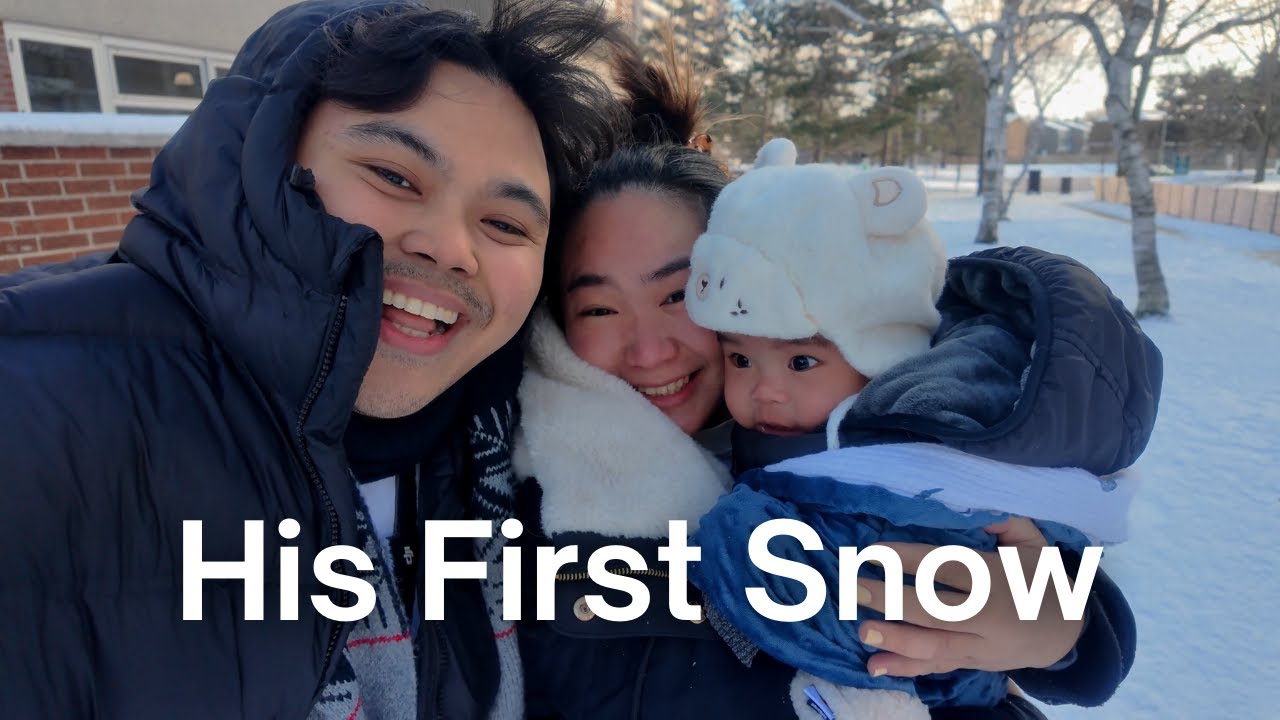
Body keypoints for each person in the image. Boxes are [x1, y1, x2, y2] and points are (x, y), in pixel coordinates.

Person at [0, 1, 627, 718]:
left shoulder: (525, 449)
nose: (452, 248)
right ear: (261, 162)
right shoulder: (36, 417)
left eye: (505, 224)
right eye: (394, 177)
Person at [509, 52, 1138, 720]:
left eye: (678, 294)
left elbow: (1017, 555)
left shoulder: (884, 431)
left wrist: (1061, 628)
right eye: (599, 309)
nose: (649, 349)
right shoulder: (532, 490)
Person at [683, 140, 1161, 716]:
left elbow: (1011, 560)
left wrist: (1066, 629)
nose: (764, 390)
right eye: (739, 359)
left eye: (801, 362)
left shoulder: (921, 450)